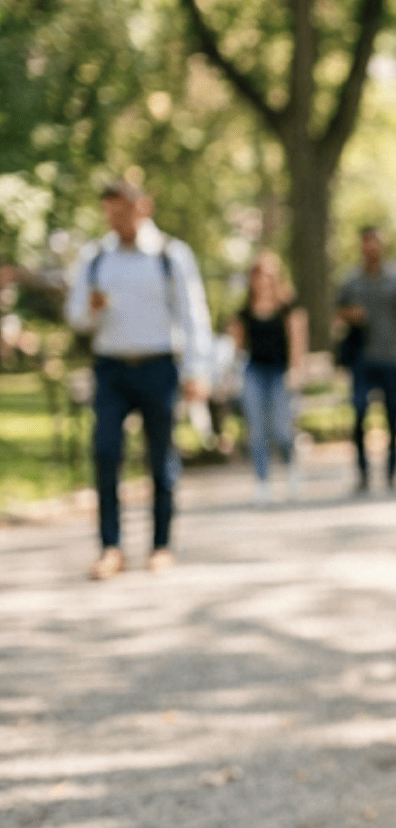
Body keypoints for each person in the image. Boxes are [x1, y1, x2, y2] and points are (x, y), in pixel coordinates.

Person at [63, 179, 214, 580]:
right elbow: (76, 315)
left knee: (161, 458)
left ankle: (161, 545)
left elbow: (193, 314)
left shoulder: (170, 255)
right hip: (110, 367)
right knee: (106, 452)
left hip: (158, 365)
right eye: (109, 213)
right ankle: (111, 547)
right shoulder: (95, 257)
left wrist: (198, 369)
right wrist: (90, 310)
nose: (116, 220)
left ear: (142, 207)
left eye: (123, 211)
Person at [335, 226, 396, 494]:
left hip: (390, 357)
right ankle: (362, 473)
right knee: (359, 413)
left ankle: (392, 472)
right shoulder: (350, 281)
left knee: (393, 416)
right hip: (361, 358)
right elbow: (337, 315)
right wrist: (352, 315)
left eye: (375, 243)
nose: (371, 249)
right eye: (366, 244)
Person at [226, 251, 307, 504]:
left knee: (281, 427)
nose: (264, 281)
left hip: (280, 371)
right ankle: (262, 481)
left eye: (269, 275)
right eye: (259, 275)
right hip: (254, 371)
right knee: (257, 428)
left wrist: (295, 372)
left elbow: (297, 344)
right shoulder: (244, 313)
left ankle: (291, 466)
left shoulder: (289, 309)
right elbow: (236, 348)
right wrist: (230, 375)